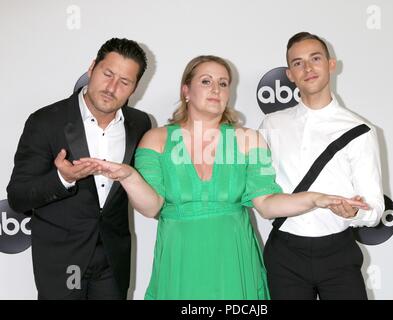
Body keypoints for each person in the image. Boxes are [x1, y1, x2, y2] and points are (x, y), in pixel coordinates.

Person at [79, 55, 368, 300]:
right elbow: (151, 206)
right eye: (206, 81)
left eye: (223, 83)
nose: (215, 89)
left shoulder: (248, 140)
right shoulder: (156, 139)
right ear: (186, 90)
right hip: (181, 263)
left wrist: (315, 199)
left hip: (234, 262)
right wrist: (129, 176)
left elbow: (267, 204)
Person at [7, 38, 152, 300]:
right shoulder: (46, 121)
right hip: (62, 261)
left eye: (124, 82)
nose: (111, 87)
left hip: (112, 260)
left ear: (135, 88)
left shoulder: (140, 124)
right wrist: (63, 178)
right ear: (92, 68)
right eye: (107, 74)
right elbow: (18, 197)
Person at [259, 32, 385, 300]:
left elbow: (375, 208)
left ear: (331, 64)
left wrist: (353, 213)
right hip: (284, 254)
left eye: (315, 59)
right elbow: (261, 195)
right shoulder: (271, 125)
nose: (307, 68)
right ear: (290, 74)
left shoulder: (360, 130)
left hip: (338, 254)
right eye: (298, 63)